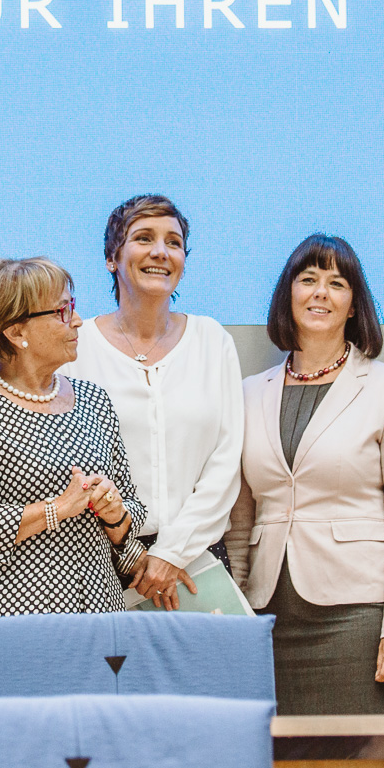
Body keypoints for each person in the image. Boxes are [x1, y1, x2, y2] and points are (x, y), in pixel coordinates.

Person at [226, 234, 384, 714]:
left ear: (354, 304)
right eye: (308, 279)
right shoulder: (250, 392)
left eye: (337, 283)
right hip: (269, 613)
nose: (320, 292)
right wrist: (235, 609)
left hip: (359, 617)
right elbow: (241, 517)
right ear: (288, 294)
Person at [0, 257, 147, 701]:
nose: (78, 321)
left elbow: (132, 509)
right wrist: (56, 509)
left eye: (74, 307)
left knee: (92, 754)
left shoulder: (93, 401)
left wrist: (115, 511)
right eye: (62, 311)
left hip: (96, 615)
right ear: (16, 331)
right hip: (5, 622)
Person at [61, 195, 243, 609]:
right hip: (97, 563)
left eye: (174, 243)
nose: (161, 252)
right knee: (108, 675)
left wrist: (170, 553)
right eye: (144, 238)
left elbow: (226, 461)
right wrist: (133, 550)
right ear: (112, 258)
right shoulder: (76, 346)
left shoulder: (212, 341)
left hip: (196, 563)